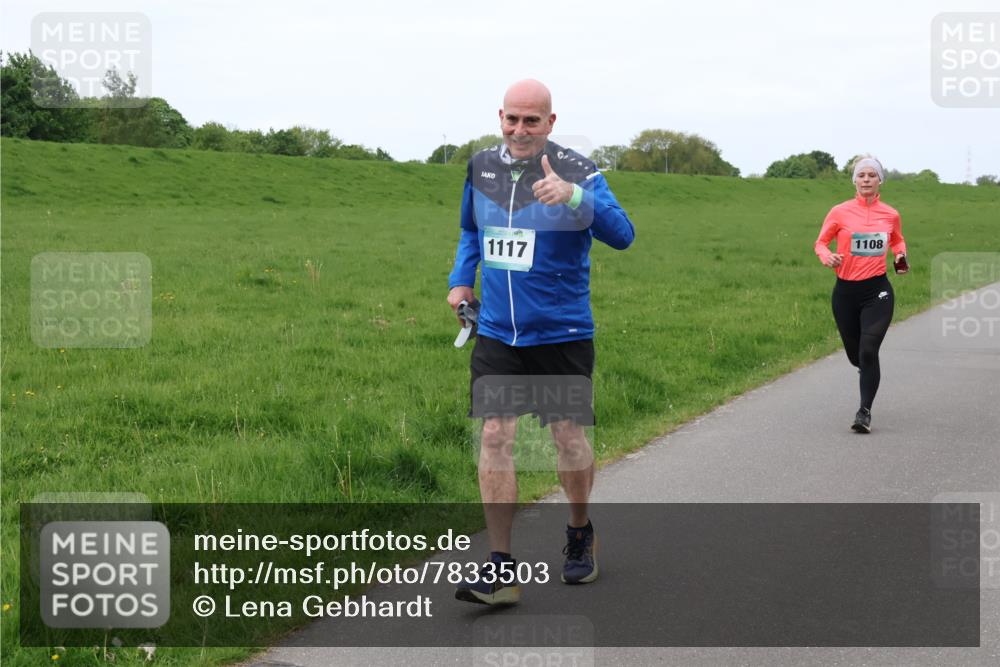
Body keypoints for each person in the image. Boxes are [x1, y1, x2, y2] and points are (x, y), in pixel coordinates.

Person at [447, 79, 635, 605]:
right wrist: (461, 278)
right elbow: (469, 231)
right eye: (512, 119)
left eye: (532, 120)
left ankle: (579, 532)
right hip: (499, 332)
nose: (520, 129)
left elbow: (624, 234)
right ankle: (500, 567)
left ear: (551, 123)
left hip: (561, 333)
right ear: (500, 117)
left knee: (567, 440)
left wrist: (576, 198)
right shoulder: (480, 167)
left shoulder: (578, 170)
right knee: (494, 438)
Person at [814, 156, 907, 434]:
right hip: (845, 293)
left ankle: (864, 412)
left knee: (868, 350)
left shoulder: (890, 214)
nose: (866, 180)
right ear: (854, 180)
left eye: (872, 175)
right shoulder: (839, 212)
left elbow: (897, 239)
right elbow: (820, 242)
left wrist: (900, 255)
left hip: (877, 290)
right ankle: (865, 369)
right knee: (857, 357)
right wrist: (827, 256)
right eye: (861, 175)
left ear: (880, 181)